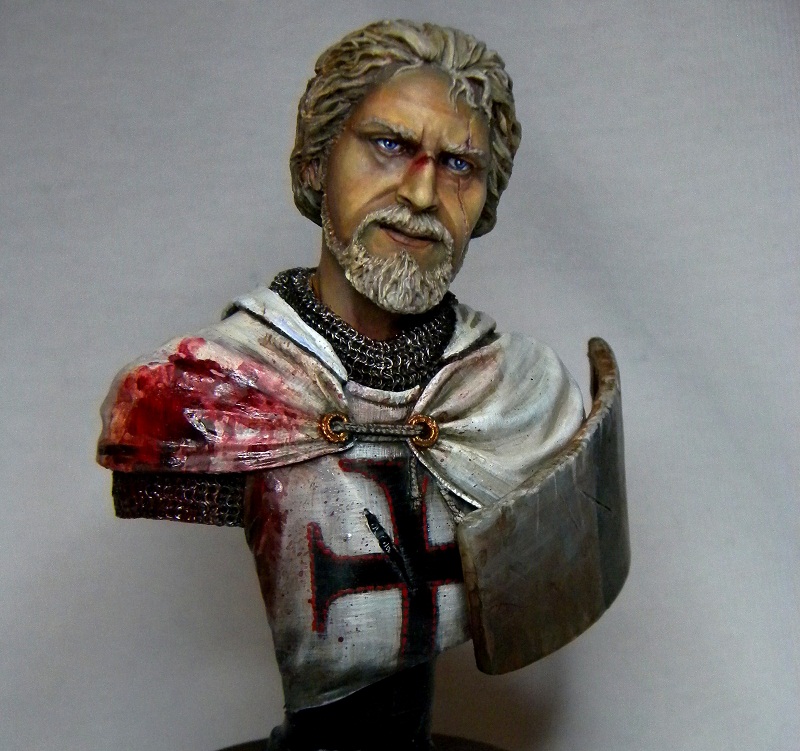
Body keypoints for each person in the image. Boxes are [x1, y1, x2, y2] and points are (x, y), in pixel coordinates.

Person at [97, 20, 584, 751]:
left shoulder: (529, 398)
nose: (422, 192)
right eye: (388, 145)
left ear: (486, 201)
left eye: (459, 164)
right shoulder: (199, 390)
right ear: (316, 163)